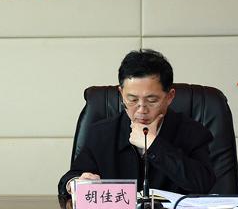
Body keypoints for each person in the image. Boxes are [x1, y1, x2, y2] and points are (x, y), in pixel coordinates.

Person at [58, 49, 216, 196]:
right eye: (132, 99)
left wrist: (153, 145)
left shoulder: (193, 132)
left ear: (170, 97)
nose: (141, 109)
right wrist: (74, 183)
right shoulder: (101, 133)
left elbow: (203, 184)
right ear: (121, 94)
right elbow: (71, 176)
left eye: (151, 100)